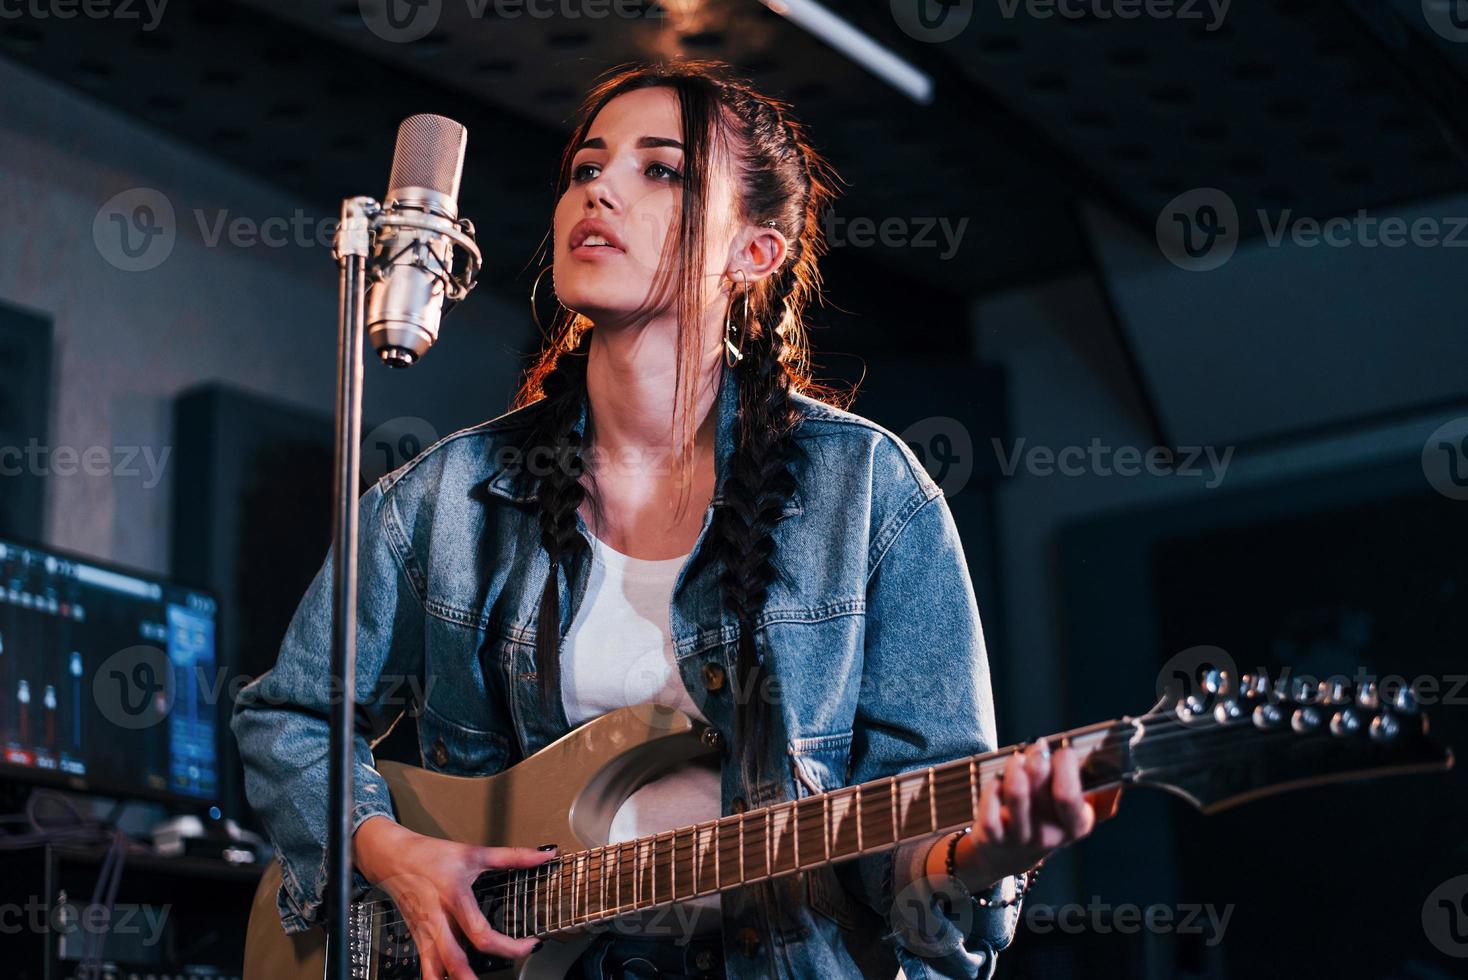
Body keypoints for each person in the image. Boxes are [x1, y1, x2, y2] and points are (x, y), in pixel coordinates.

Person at [231, 58, 1099, 980]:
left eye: (661, 169)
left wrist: (984, 857)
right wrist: (384, 848)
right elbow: (290, 714)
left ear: (752, 253)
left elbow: (913, 865)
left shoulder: (869, 493)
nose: (600, 187)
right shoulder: (448, 497)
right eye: (586, 167)